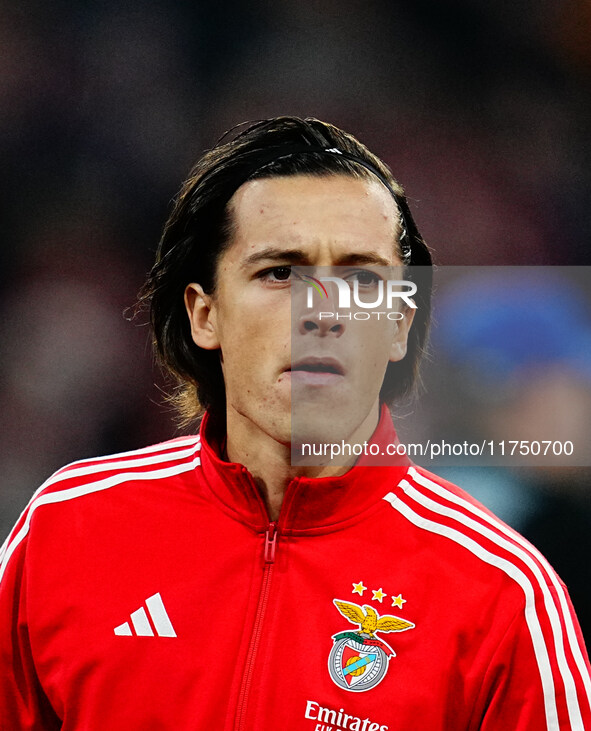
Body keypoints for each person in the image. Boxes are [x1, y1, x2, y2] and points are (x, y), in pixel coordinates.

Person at [0, 117, 589, 731]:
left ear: (397, 326)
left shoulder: (500, 592)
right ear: (205, 315)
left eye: (361, 277)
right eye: (280, 272)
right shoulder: (67, 528)